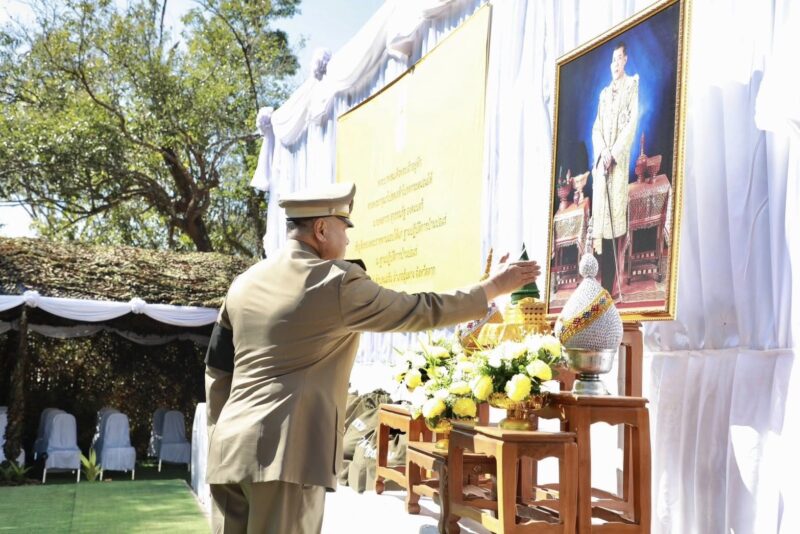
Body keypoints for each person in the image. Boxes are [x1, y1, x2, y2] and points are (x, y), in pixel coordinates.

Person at [204, 181, 541, 533]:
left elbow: (217, 371)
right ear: (321, 229)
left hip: (229, 451)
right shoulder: (335, 282)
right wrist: (492, 288)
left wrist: (219, 433)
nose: (348, 240)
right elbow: (419, 309)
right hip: (284, 459)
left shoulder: (243, 284)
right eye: (344, 228)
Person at [591, 41, 639, 298]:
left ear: (625, 60)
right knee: (601, 223)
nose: (615, 64)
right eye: (613, 60)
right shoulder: (603, 94)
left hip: (617, 167)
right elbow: (596, 128)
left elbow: (631, 123)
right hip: (603, 165)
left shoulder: (631, 86)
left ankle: (610, 285)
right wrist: (603, 152)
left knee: (613, 225)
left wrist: (615, 153)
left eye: (619, 59)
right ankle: (601, 285)